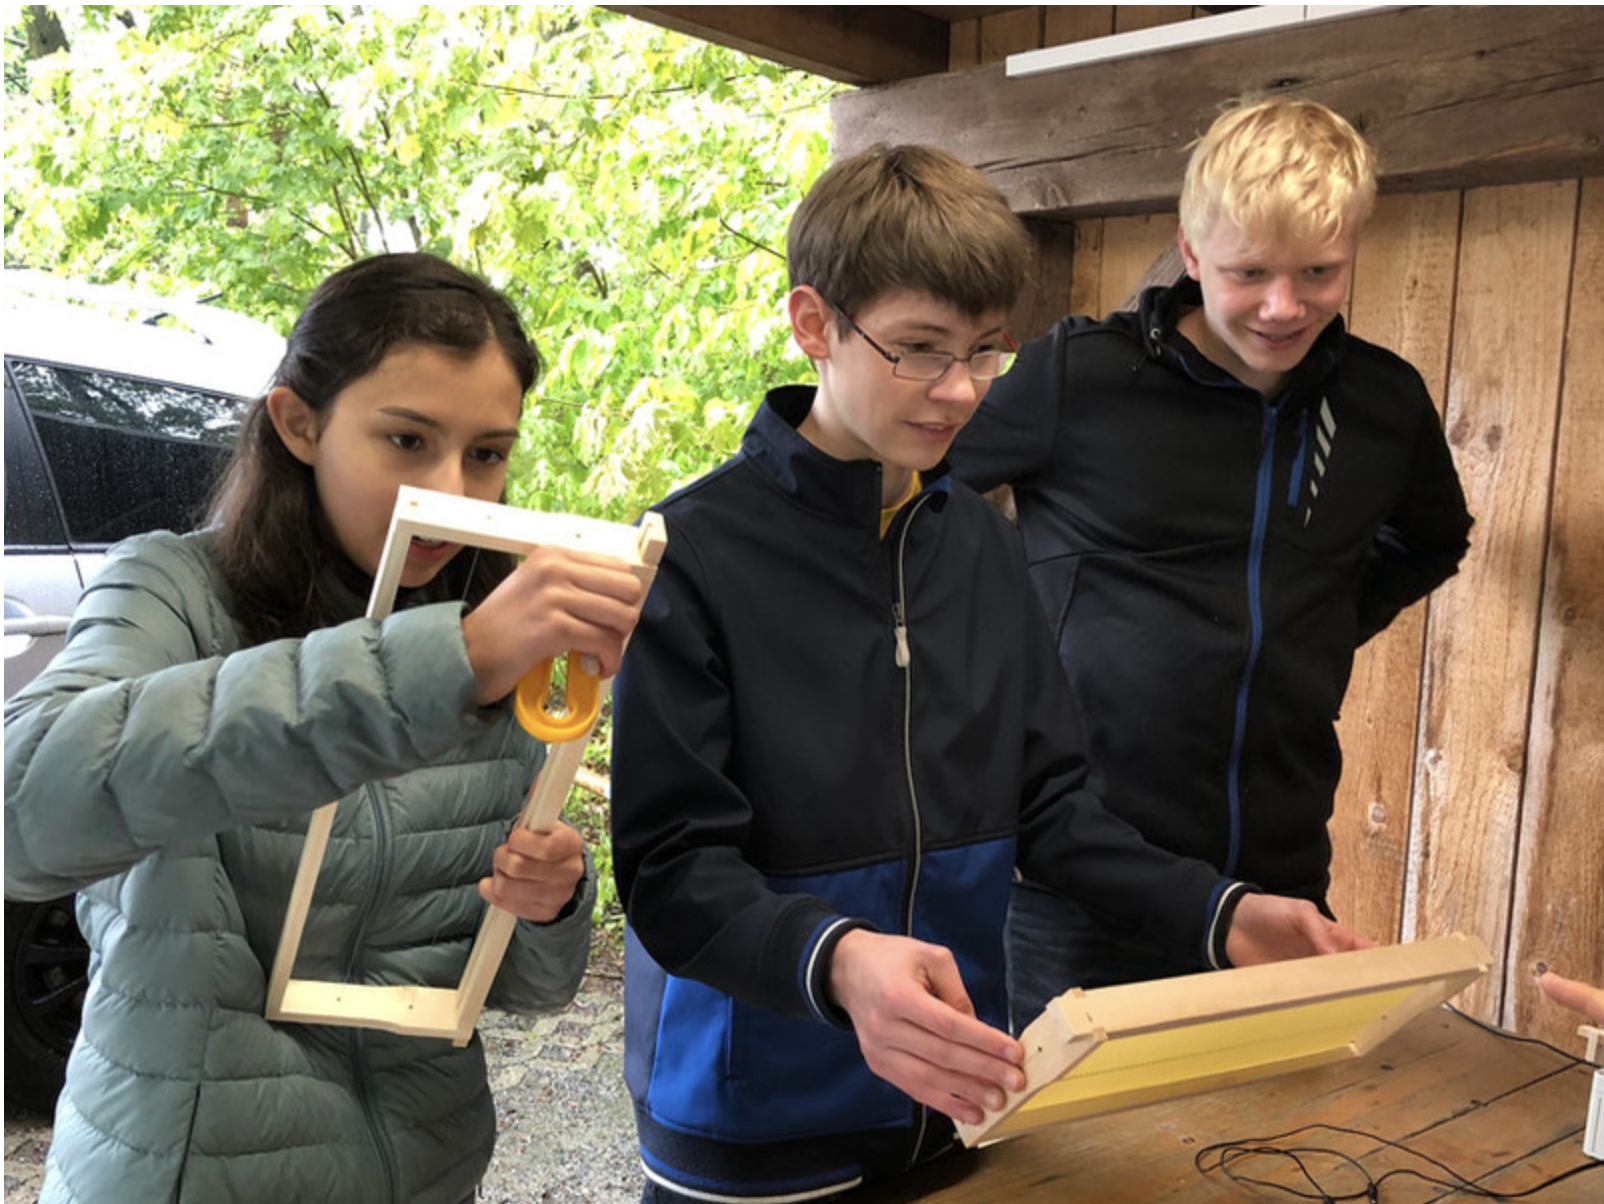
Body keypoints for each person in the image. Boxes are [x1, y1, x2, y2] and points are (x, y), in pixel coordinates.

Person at [609, 143, 1367, 1204]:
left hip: (955, 1098)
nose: (959, 390)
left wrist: (1219, 910)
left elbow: (1049, 807)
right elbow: (669, 865)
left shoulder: (979, 541)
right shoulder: (689, 550)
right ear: (814, 324)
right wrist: (838, 959)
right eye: (919, 349)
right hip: (753, 1112)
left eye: (984, 351)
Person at [4, 252, 648, 1204]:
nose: (455, 492)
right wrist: (444, 661)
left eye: (486, 453)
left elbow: (522, 989)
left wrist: (549, 901)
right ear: (299, 423)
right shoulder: (174, 590)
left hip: (427, 1169)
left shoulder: (492, 631)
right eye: (407, 439)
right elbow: (21, 811)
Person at [948, 98, 1474, 1029]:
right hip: (1081, 887)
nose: (1284, 305)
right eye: (1249, 273)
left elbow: (1433, 538)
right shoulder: (1081, 376)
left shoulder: (1385, 404)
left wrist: (1316, 624)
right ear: (1191, 254)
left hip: (1280, 883)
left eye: (1319, 271)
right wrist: (996, 652)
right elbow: (912, 491)